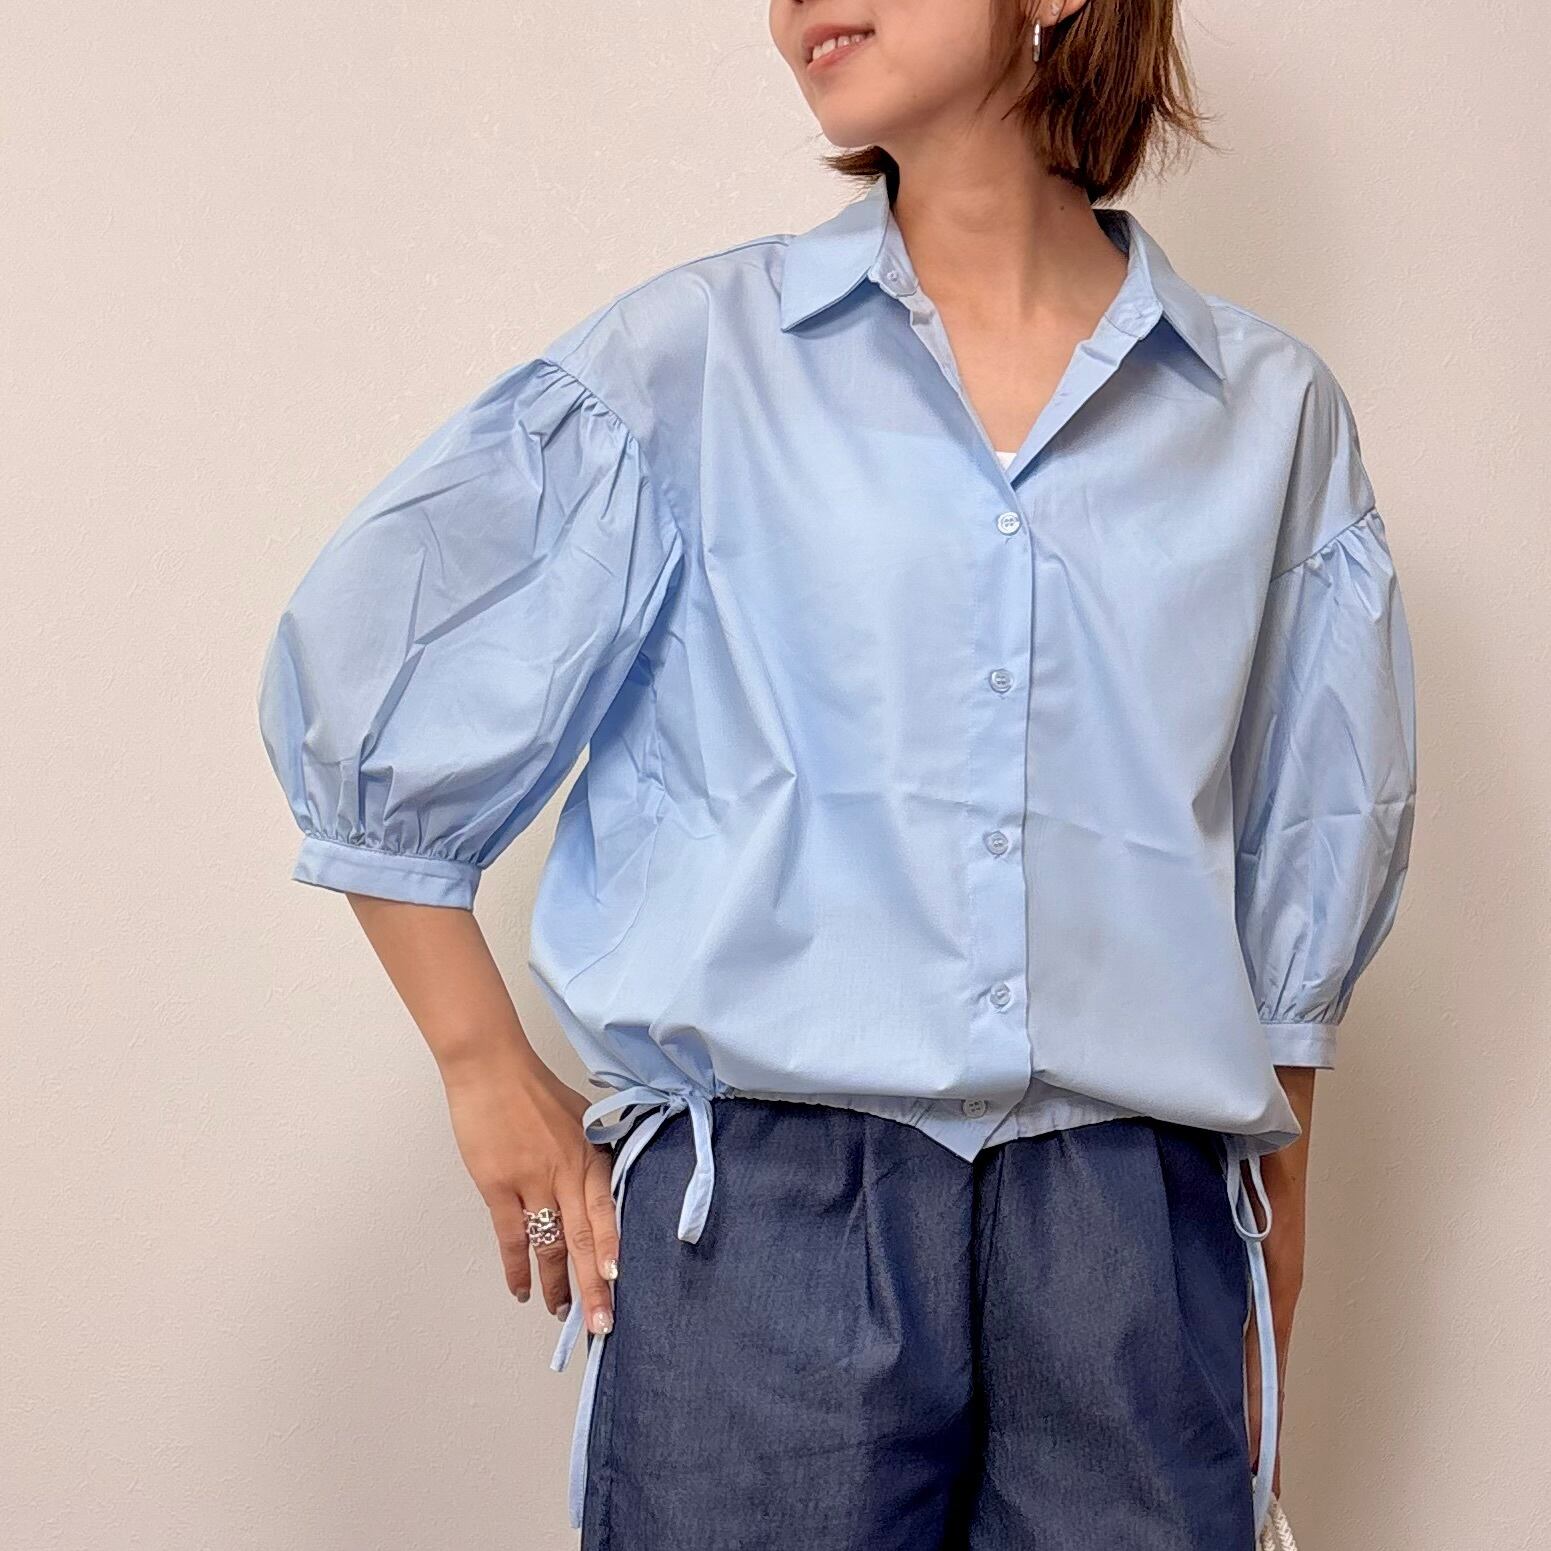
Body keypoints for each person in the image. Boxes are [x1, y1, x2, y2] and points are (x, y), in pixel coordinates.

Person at [256, 1, 1418, 1545]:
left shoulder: (1268, 417)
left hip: (1136, 1242)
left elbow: (1298, 868)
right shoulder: (689, 364)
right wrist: (481, 1063)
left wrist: (1271, 1278)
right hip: (768, 1226)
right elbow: (376, 672)